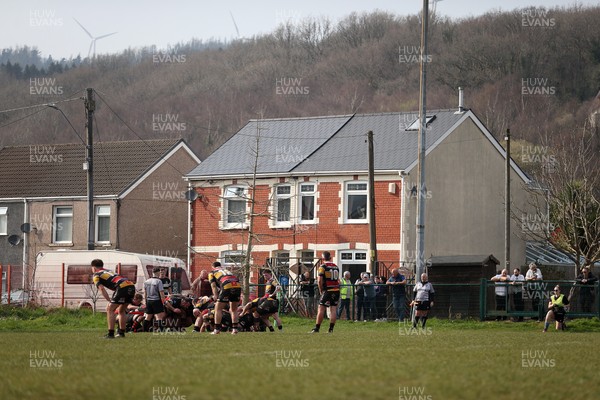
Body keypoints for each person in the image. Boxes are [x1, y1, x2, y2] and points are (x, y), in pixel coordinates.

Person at [91, 259, 136, 339]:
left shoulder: (96, 275)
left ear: (94, 268)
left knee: (110, 309)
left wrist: (109, 300)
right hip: (131, 285)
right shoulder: (109, 271)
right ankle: (121, 333)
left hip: (122, 286)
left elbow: (101, 288)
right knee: (121, 310)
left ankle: (110, 334)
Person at [208, 261, 241, 335]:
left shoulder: (212, 272)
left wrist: (216, 296)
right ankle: (235, 329)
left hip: (226, 285)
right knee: (234, 309)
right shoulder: (227, 270)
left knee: (218, 308)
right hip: (237, 284)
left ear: (213, 267)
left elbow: (213, 286)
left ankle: (216, 330)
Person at [310, 251, 340, 333]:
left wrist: (320, 290)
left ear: (323, 258)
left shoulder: (322, 267)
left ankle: (317, 328)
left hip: (328, 290)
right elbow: (338, 280)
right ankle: (331, 329)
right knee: (333, 309)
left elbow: (319, 280)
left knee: (321, 308)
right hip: (336, 290)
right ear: (330, 257)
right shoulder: (336, 266)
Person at [143, 267, 167, 332]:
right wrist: (164, 302)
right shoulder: (159, 281)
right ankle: (162, 330)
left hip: (148, 301)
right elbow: (161, 293)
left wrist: (145, 301)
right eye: (160, 272)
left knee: (148, 316)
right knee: (159, 316)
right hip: (156, 300)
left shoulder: (146, 281)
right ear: (158, 272)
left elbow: (145, 293)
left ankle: (144, 330)